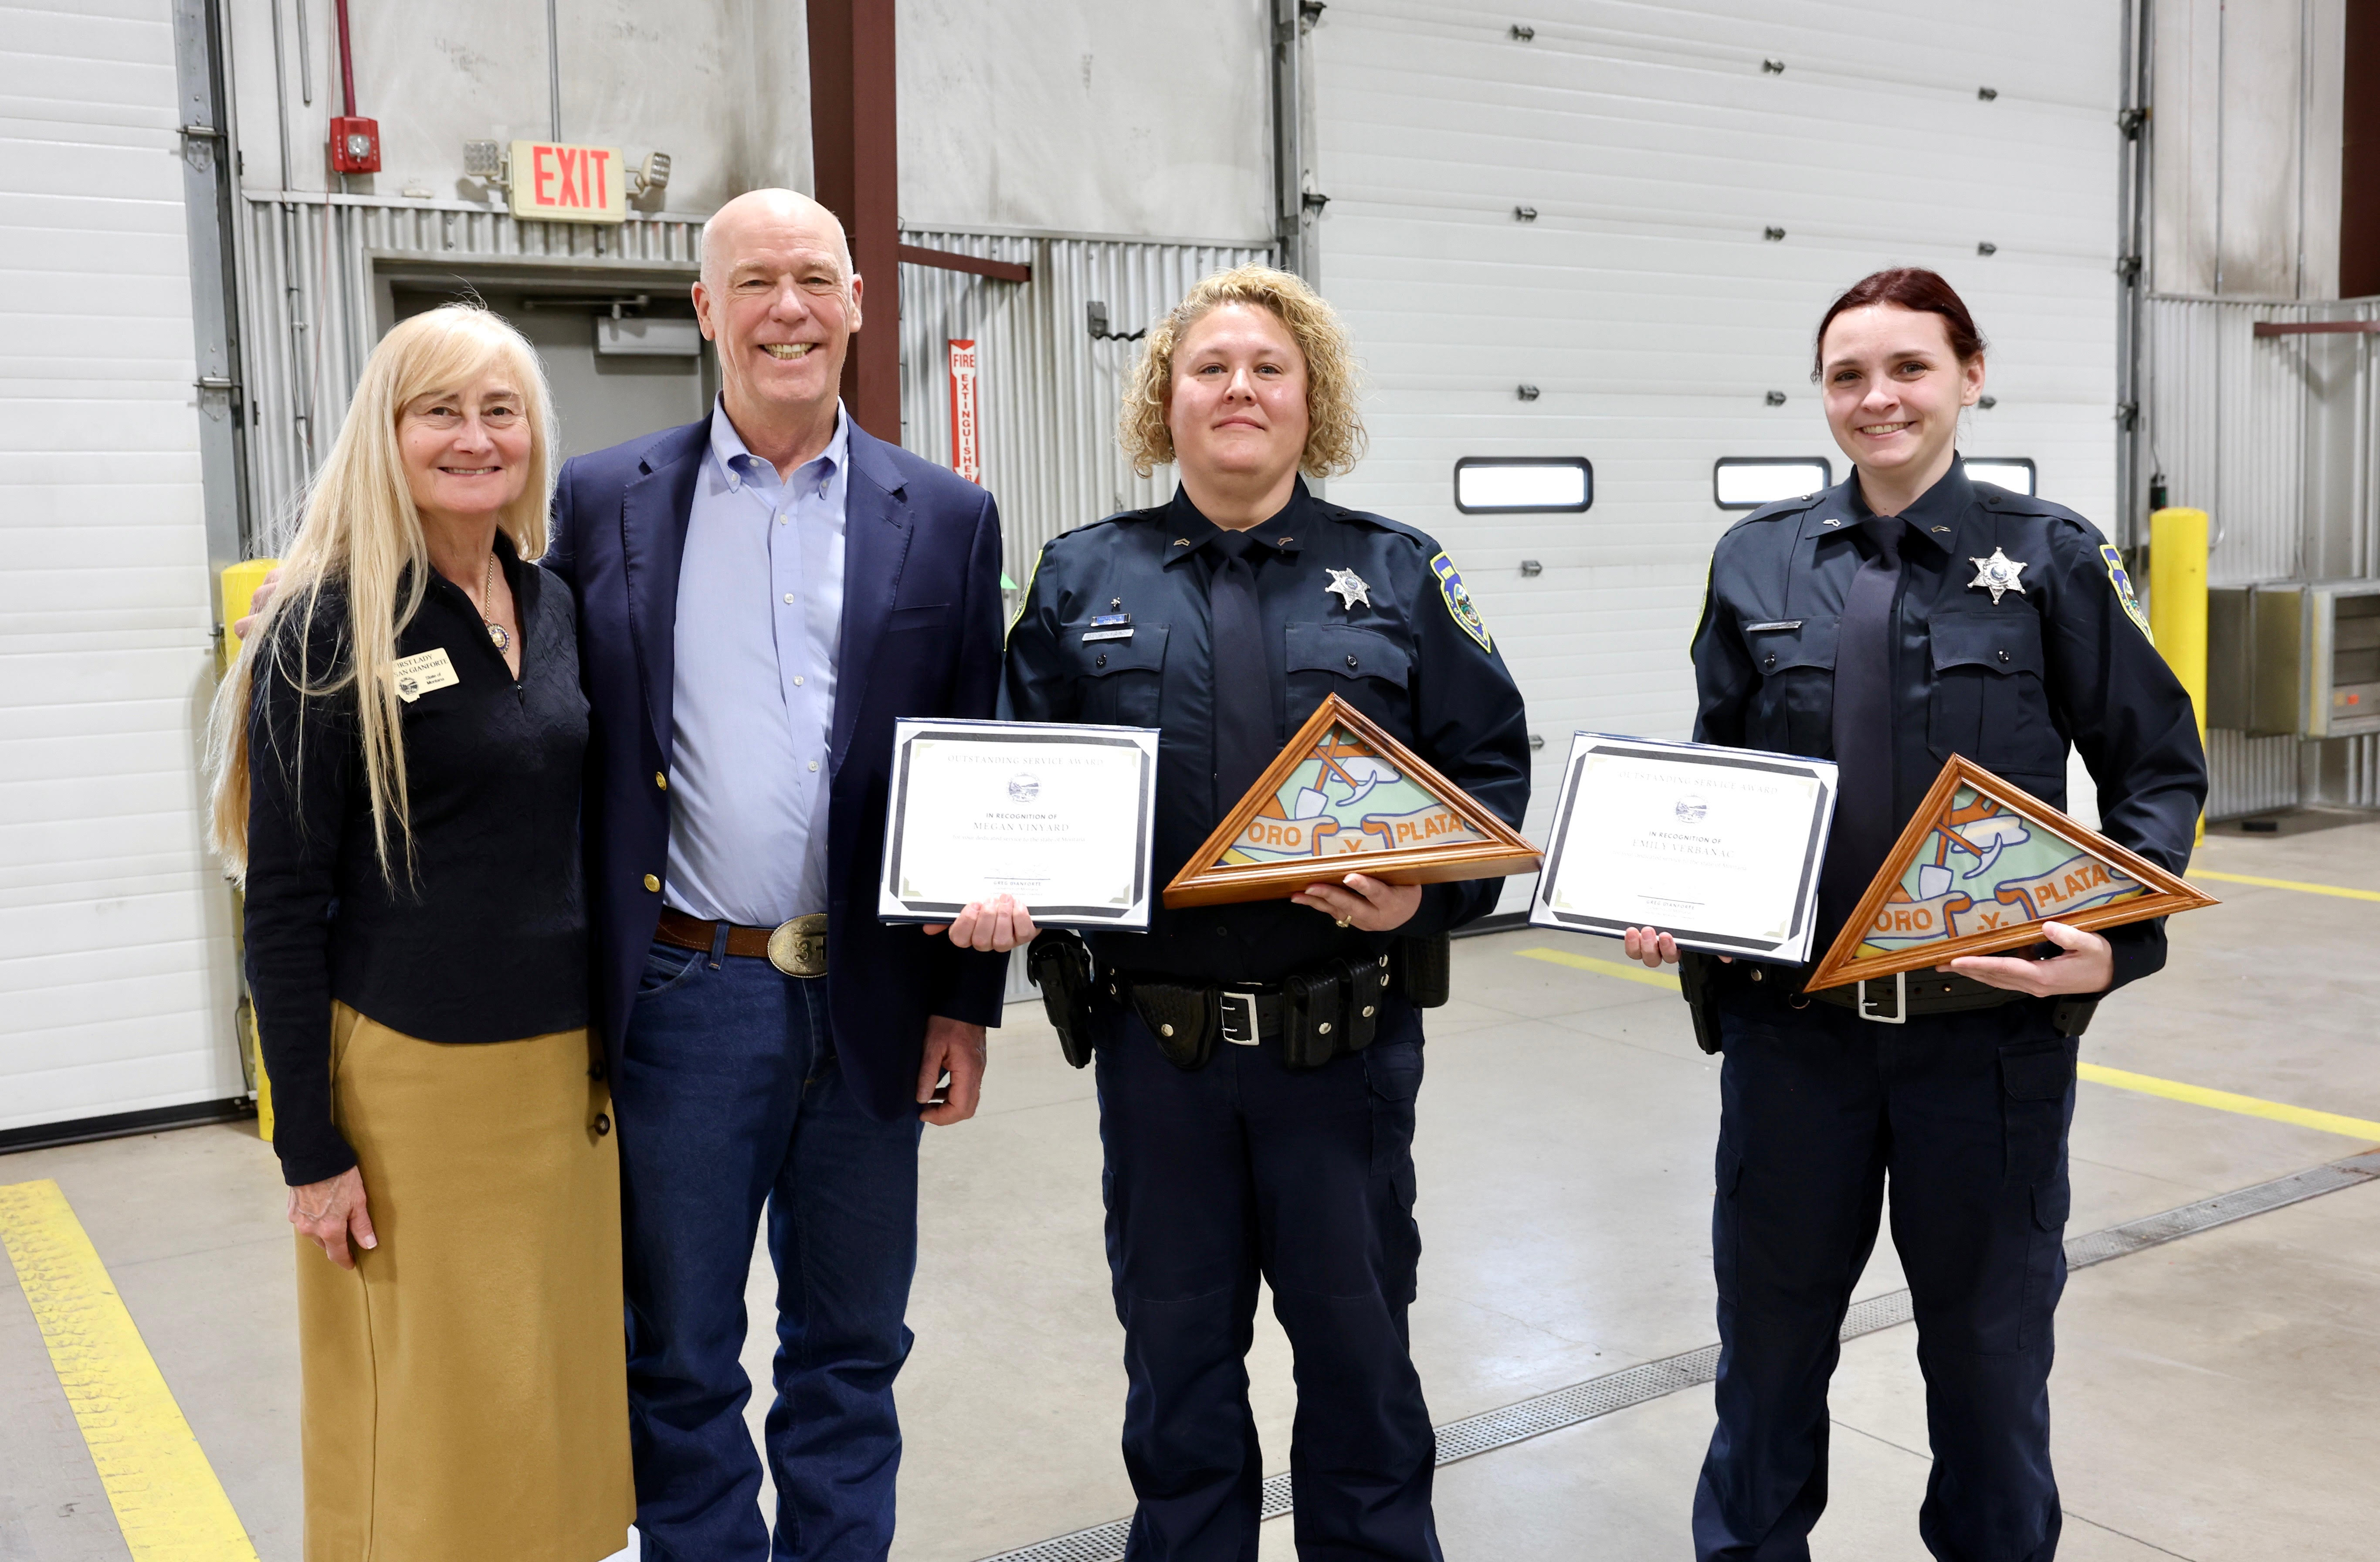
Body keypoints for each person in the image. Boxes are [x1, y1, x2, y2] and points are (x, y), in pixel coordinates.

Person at [1623, 268, 2207, 1562]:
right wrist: (1674, 904)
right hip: (1796, 1038)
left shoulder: (2050, 556)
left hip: (1982, 1045)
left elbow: (2156, 765)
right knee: (1766, 1365)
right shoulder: (1758, 558)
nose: (1877, 398)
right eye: (1848, 375)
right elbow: (1720, 779)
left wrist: (2119, 940)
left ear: (1969, 377)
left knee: (1989, 1375)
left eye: (1909, 369)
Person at [979, 265, 1531, 1561]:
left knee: (1361, 1371)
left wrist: (1427, 890)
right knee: (1176, 1380)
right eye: (1209, 367)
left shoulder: (1400, 573)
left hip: (1341, 1054)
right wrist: (996, 881)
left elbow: (1490, 776)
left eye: (1267, 368)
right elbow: (1012, 774)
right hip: (1155, 1059)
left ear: (1310, 400)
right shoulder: (1077, 578)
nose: (1239, 387)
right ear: (1163, 402)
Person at [544, 189, 1008, 1561]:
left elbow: (979, 758)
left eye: (815, 278)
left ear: (862, 304)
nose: (787, 309)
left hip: (870, 991)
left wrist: (967, 1004)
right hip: (687, 995)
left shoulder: (948, 516)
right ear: (707, 309)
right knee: (680, 1353)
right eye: (754, 282)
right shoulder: (603, 499)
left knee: (852, 1349)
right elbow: (518, 667)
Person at [208, 303, 632, 1561]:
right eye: (439, 409)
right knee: (425, 1417)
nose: (473, 436)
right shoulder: (324, 628)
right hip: (412, 1086)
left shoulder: (553, 605)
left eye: (501, 410)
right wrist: (309, 1149)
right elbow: (280, 908)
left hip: (560, 1082)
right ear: (385, 432)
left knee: (540, 1405)